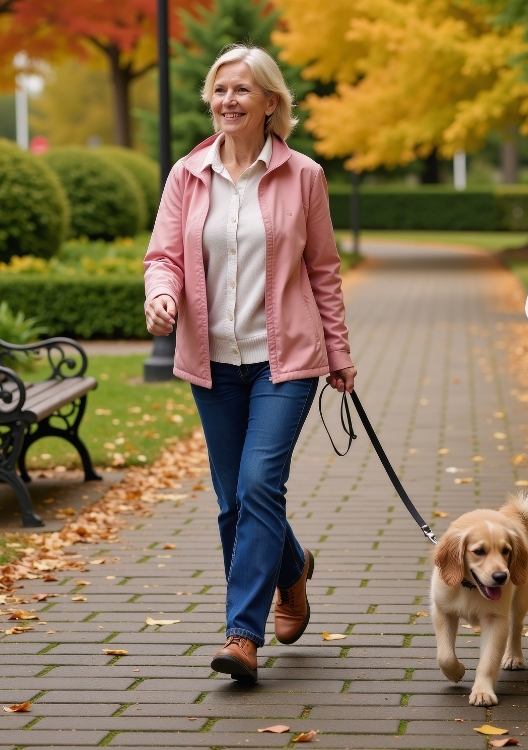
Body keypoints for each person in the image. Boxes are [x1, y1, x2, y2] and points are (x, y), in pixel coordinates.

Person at [143, 44, 354, 683]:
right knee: (234, 499)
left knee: (260, 485)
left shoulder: (304, 176)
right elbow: (165, 256)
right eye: (220, 90)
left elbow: (323, 270)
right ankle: (291, 572)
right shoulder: (188, 175)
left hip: (283, 360)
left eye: (242, 90)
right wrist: (161, 292)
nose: (228, 100)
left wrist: (339, 354)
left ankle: (242, 635)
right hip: (212, 359)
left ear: (270, 103)